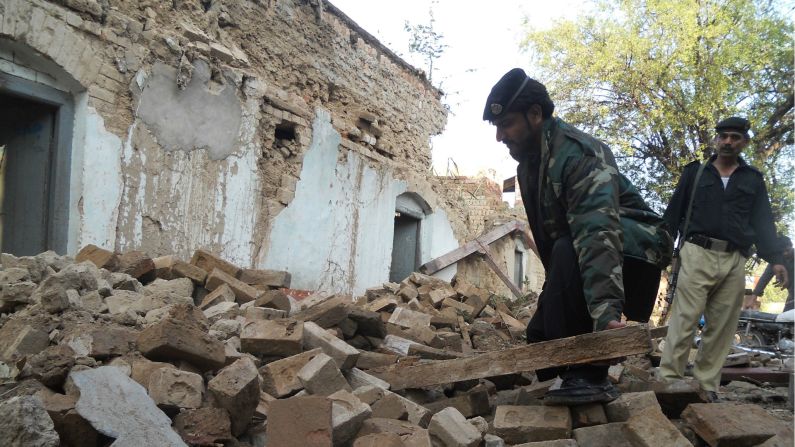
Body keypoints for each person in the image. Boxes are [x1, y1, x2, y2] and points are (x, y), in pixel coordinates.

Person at [483, 68, 673, 405]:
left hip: (635, 253)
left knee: (570, 248)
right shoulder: (531, 164)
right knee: (542, 339)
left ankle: (590, 375)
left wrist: (606, 321)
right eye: (496, 128)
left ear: (535, 114)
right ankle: (569, 370)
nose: (499, 136)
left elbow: (597, 237)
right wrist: (550, 309)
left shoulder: (578, 154)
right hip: (582, 248)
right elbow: (552, 243)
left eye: (506, 124)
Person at [659, 116, 789, 399]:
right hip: (696, 251)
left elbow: (763, 221)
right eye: (724, 136)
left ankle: (707, 386)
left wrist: (775, 257)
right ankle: (669, 382)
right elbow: (673, 213)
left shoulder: (753, 179)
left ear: (745, 142)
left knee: (722, 326)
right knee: (685, 319)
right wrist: (663, 251)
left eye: (735, 137)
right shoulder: (695, 173)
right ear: (716, 139)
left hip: (734, 259)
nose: (728, 142)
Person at [749, 236, 794, 312]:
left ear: (792, 247)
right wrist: (753, 298)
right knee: (785, 319)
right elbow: (764, 279)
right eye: (782, 252)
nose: (785, 253)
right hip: (792, 296)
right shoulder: (776, 262)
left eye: (787, 250)